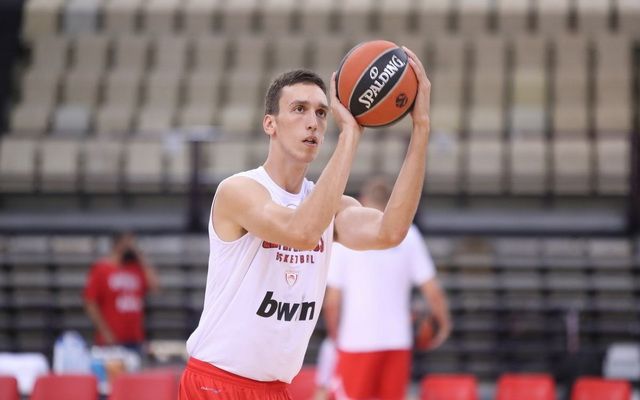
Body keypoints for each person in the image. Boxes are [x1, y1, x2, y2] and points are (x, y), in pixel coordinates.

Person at [180, 47, 431, 400]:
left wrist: (421, 128)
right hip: (218, 383)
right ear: (270, 124)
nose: (313, 121)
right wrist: (350, 136)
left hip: (276, 388)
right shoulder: (238, 191)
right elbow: (302, 231)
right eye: (299, 109)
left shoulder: (332, 207)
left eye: (321, 113)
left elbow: (391, 232)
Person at [322, 177, 452, 400]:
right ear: (392, 202)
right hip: (396, 341)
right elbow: (433, 291)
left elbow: (332, 302)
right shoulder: (408, 235)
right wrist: (444, 325)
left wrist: (335, 337)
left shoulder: (346, 236)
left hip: (356, 341)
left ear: (362, 201)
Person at [83, 232, 159, 353]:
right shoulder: (101, 269)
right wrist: (105, 332)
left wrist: (141, 257)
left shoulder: (135, 268)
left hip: (135, 339)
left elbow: (155, 287)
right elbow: (90, 302)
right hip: (111, 341)